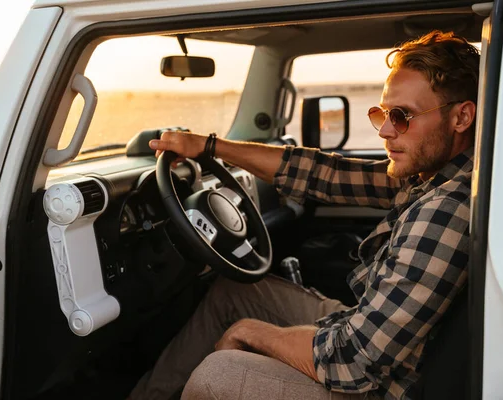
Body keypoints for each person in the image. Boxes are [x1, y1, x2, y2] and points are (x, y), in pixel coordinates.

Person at [129, 30, 480, 400]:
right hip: (374, 335)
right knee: (233, 294)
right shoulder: (431, 174)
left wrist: (252, 332)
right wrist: (210, 147)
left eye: (403, 116)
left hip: (385, 385)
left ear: (461, 118)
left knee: (217, 375)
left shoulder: (445, 209)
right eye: (382, 113)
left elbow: (354, 360)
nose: (386, 131)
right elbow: (328, 175)